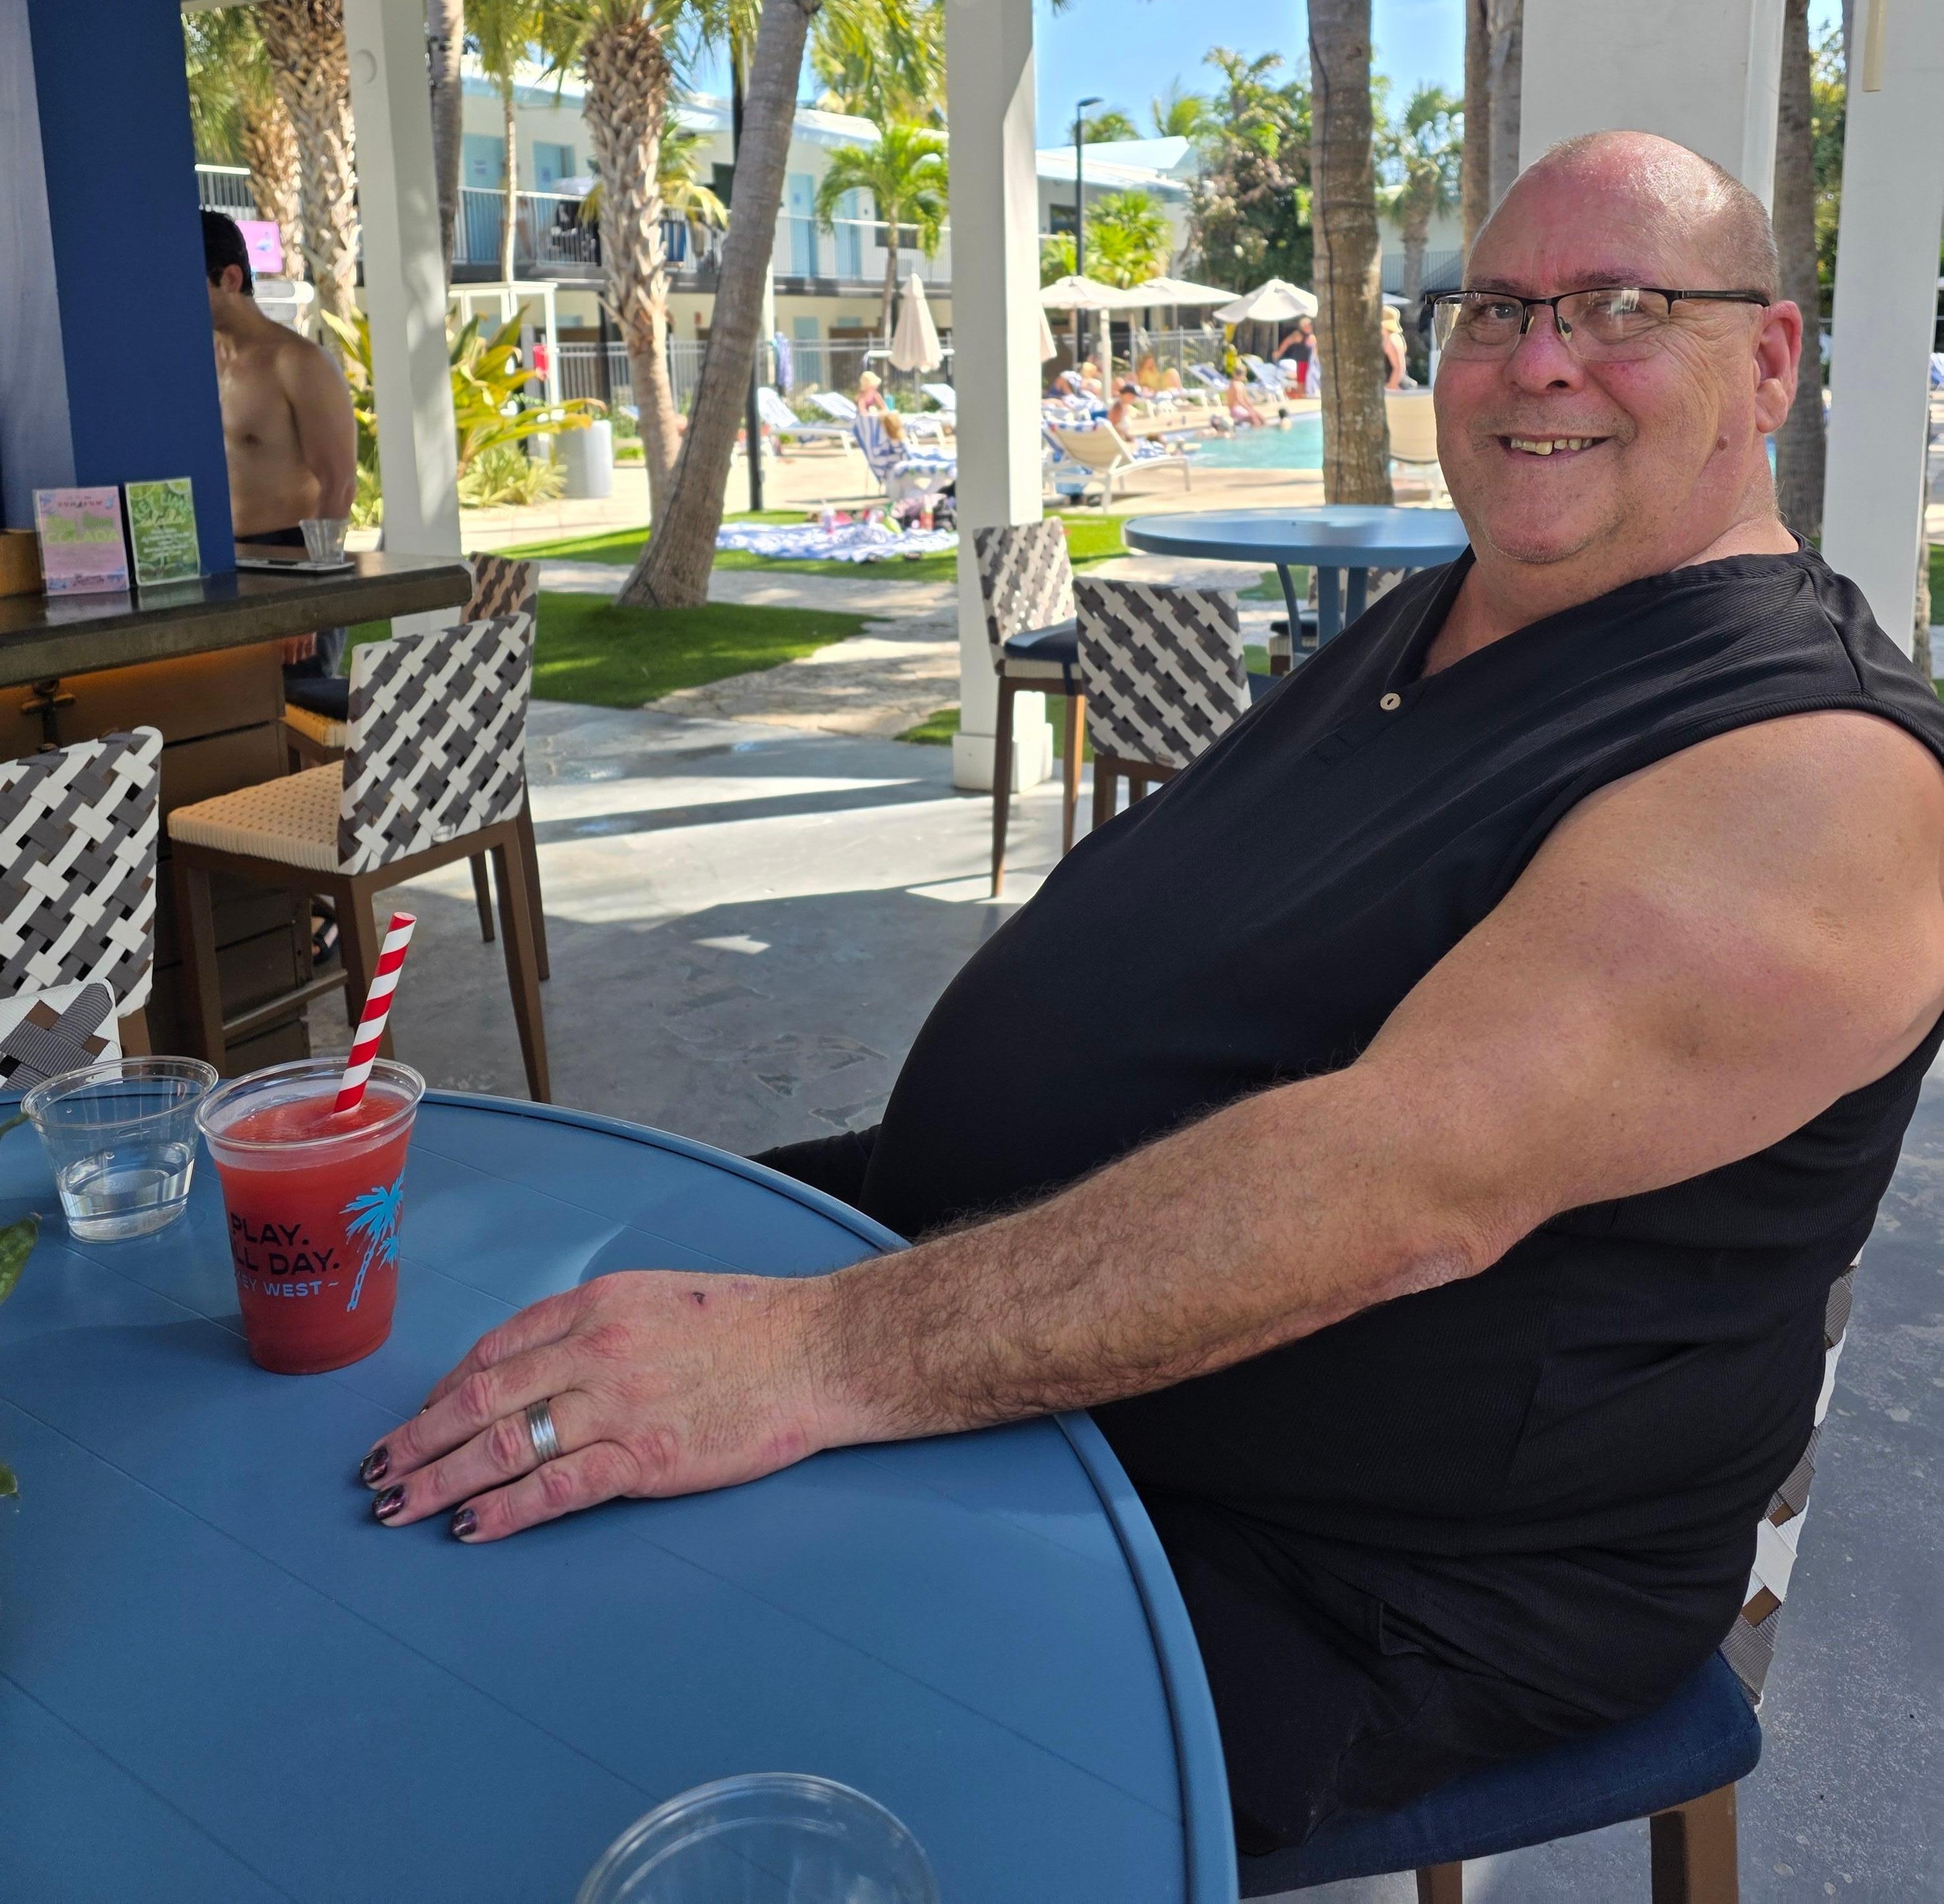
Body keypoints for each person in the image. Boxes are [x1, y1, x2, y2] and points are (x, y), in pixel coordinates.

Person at [354, 135, 1944, 1874]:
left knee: (589, 1723)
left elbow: (1406, 1181)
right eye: (1495, 307)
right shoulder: (1449, 616)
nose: (1538, 358)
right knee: (460, 1348)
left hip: (1350, 1571)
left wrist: (809, 1355)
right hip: (1023, 1331)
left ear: (1766, 360)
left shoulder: (1816, 778)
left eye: (1621, 306)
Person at [203, 211, 357, 671]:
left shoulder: (297, 362)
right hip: (225, 566)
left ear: (230, 279)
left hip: (295, 561)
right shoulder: (198, 363)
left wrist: (307, 601)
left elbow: (339, 485)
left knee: (300, 708)